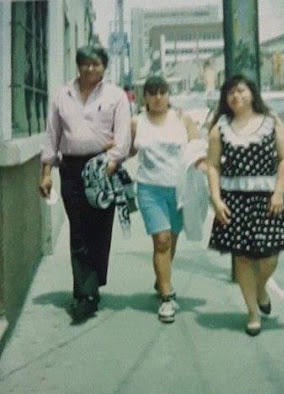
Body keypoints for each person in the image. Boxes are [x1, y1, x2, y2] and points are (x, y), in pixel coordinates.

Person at [39, 45, 131, 322]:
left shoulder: (116, 96)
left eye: (97, 64)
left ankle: (92, 283)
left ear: (104, 67)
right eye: (86, 64)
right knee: (78, 230)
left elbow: (124, 136)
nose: (91, 69)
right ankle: (85, 294)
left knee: (100, 230)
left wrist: (111, 164)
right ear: (78, 65)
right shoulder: (62, 95)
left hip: (103, 167)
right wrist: (46, 172)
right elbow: (52, 136)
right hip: (71, 168)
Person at [206, 74, 284, 336]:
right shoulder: (220, 128)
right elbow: (212, 166)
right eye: (231, 92)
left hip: (267, 199)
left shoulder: (271, 122)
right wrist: (216, 199)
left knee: (269, 258)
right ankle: (253, 312)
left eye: (241, 91)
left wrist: (279, 192)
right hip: (234, 201)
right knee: (243, 259)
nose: (236, 96)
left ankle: (261, 288)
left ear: (252, 93)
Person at [130, 76, 207, 324]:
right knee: (161, 240)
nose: (158, 97)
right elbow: (127, 149)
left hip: (179, 189)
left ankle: (161, 278)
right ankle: (167, 297)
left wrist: (203, 162)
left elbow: (197, 145)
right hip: (149, 189)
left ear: (168, 95)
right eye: (152, 93)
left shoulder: (182, 120)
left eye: (162, 92)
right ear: (145, 98)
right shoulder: (137, 122)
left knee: (171, 240)